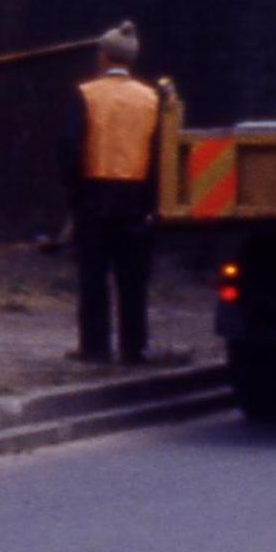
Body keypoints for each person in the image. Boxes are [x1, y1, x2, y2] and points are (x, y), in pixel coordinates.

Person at [60, 22, 163, 365]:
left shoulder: (86, 93)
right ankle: (135, 348)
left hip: (94, 195)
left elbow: (71, 146)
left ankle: (95, 347)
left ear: (103, 56)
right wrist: (153, 200)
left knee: (93, 274)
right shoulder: (151, 98)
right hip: (136, 197)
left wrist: (72, 192)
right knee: (133, 278)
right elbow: (160, 151)